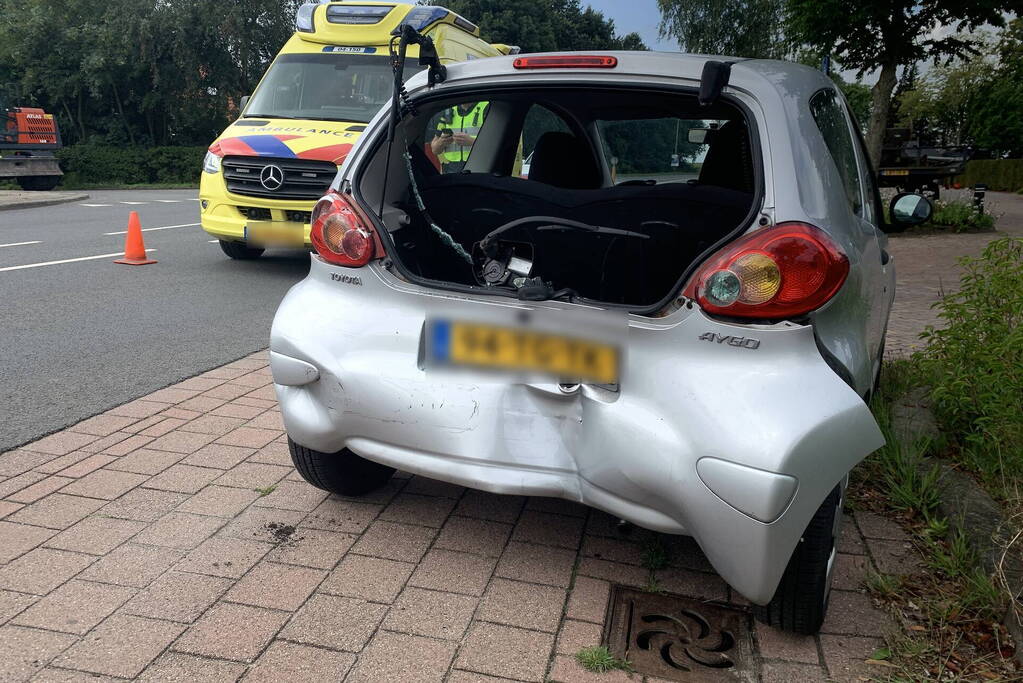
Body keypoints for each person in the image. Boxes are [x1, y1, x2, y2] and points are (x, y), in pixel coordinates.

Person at [430, 102, 488, 173]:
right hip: (452, 170)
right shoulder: (447, 112)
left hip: (479, 167)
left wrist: (472, 142)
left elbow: (496, 144)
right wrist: (441, 142)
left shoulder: (486, 107)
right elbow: (434, 150)